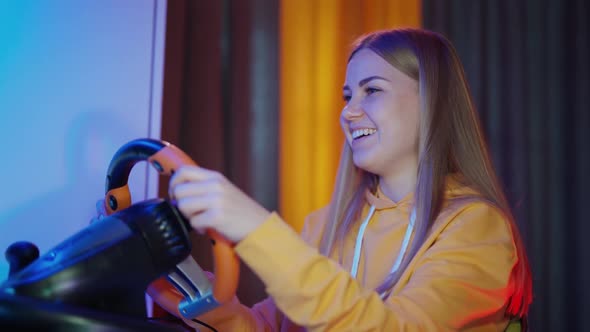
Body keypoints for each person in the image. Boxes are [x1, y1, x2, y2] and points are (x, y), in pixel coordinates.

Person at [168, 28, 533, 331]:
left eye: (371, 90)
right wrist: (187, 284)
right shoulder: (326, 223)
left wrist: (258, 230)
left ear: (431, 102)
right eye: (348, 95)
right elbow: (265, 327)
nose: (349, 111)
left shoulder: (476, 227)